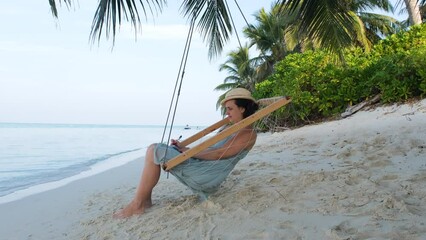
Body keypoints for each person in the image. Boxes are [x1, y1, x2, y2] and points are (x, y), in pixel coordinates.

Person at [113, 88, 259, 218]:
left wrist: (188, 153)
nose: (227, 113)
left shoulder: (248, 133)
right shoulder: (232, 128)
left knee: (154, 151)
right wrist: (185, 150)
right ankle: (145, 201)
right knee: (155, 149)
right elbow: (211, 150)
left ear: (242, 109)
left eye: (230, 109)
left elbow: (218, 154)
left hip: (207, 175)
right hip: (205, 168)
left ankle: (138, 205)